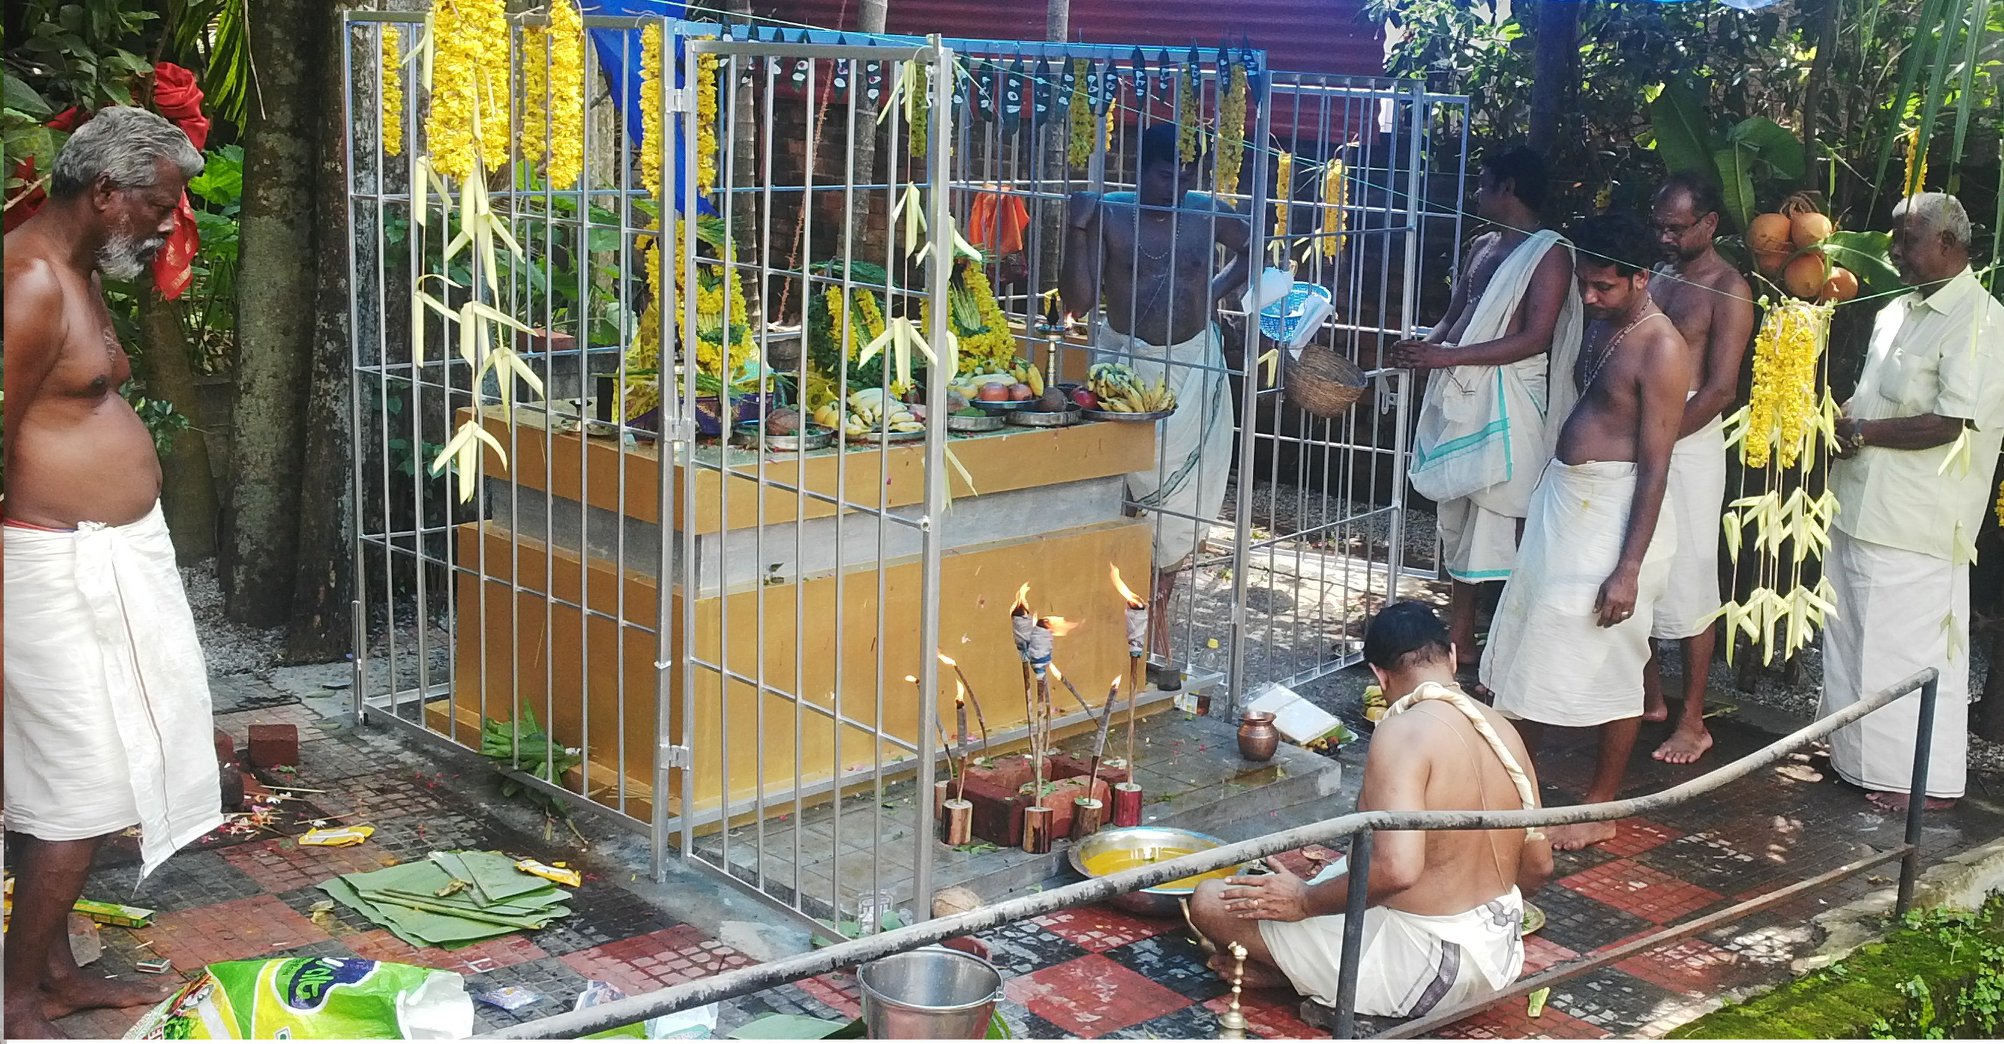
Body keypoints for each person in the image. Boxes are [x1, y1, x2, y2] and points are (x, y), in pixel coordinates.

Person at [4, 106, 223, 1039]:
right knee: (85, 784)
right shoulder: (25, 283)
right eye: (161, 205)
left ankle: (50, 973)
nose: (171, 223)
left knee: (63, 779)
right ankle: (14, 999)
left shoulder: (77, 268)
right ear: (104, 192)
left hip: (105, 556)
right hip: (49, 564)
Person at [1188, 601, 1552, 1019]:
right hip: (1499, 957)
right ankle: (1297, 973)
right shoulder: (1503, 729)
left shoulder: (1401, 733)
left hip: (1431, 973)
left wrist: (1304, 903)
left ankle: (1303, 978)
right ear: (1451, 655)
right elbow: (1538, 867)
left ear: (1380, 676)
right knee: (1333, 875)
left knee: (1212, 901)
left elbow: (1397, 871)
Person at [1482, 214, 1694, 851]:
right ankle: (1516, 790)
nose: (1590, 297)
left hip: (1616, 518)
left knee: (1612, 661)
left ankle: (1599, 804)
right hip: (1567, 507)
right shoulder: (1605, 321)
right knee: (1529, 643)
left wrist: (1627, 569)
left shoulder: (1662, 346)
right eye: (1584, 285)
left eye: (1604, 287)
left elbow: (1656, 466)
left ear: (1641, 276)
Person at [1820, 192, 2004, 813]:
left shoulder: (1979, 318)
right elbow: (1874, 399)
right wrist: (1840, 418)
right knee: (1851, 637)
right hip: (1857, 503)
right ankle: (1853, 759)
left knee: (1908, 651)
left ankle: (1923, 783)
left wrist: (1864, 434)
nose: (1894, 253)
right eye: (1895, 240)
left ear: (1950, 245)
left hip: (1917, 518)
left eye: (1908, 241)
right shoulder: (1898, 309)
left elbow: (1952, 422)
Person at [1060, 123, 1251, 681]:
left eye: (1188, 175)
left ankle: (1157, 615)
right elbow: (1078, 299)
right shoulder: (1111, 214)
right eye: (1168, 174)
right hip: (1126, 369)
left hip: (1195, 367)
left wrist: (1213, 292)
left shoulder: (1207, 212)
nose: (1179, 186)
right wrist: (1077, 228)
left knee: (1185, 498)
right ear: (1140, 169)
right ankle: (1118, 619)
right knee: (1125, 491)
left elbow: (1252, 246)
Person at [1390, 147, 1582, 692]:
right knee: (1460, 515)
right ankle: (1462, 637)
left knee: (1508, 515)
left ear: (1509, 188)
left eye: (1483, 184)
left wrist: (1444, 358)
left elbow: (1535, 336)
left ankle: (1517, 640)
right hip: (1464, 386)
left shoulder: (1551, 255)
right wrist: (1421, 348)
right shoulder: (1481, 247)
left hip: (1513, 396)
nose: (1476, 194)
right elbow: (1456, 317)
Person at [1642, 173, 1755, 764]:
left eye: (1675, 227)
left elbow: (1719, 390)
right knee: (1633, 561)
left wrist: (1659, 440)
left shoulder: (1729, 288)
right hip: (1640, 440)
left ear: (1709, 224)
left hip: (1688, 448)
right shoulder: (1658, 275)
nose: (1663, 236)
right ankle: (1649, 696)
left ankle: (1693, 719)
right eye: (1657, 224)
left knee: (1689, 578)